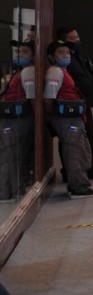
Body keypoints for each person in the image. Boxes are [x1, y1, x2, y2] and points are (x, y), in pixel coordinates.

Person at [45, 41, 93, 199]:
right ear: (51, 57)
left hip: (73, 118)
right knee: (74, 152)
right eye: (61, 52)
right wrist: (54, 117)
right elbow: (49, 98)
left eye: (67, 52)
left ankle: (78, 184)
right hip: (66, 119)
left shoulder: (63, 71)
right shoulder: (55, 72)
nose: (65, 55)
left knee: (80, 150)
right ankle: (78, 187)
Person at [57, 26, 93, 180]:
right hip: (72, 105)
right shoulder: (64, 59)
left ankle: (89, 167)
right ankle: (71, 170)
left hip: (83, 103)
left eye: (78, 37)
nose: (77, 41)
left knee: (89, 135)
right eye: (73, 38)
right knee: (73, 137)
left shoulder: (76, 55)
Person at [0, 42, 37, 201]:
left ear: (33, 55)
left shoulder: (28, 71)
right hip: (15, 117)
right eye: (19, 51)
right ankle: (13, 189)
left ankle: (6, 191)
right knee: (14, 154)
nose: (20, 54)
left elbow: (31, 97)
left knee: (10, 154)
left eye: (25, 52)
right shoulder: (22, 71)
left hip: (17, 118)